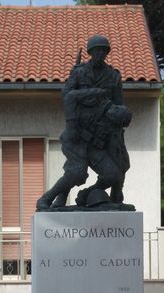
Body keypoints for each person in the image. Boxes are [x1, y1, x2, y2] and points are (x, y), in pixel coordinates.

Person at [36, 34, 131, 209]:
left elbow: (119, 107)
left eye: (103, 50)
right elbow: (67, 96)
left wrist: (116, 138)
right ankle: (46, 199)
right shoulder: (79, 73)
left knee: (113, 175)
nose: (100, 54)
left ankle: (86, 195)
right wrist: (93, 93)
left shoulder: (113, 76)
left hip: (97, 139)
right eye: (97, 50)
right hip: (77, 135)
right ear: (90, 52)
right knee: (77, 173)